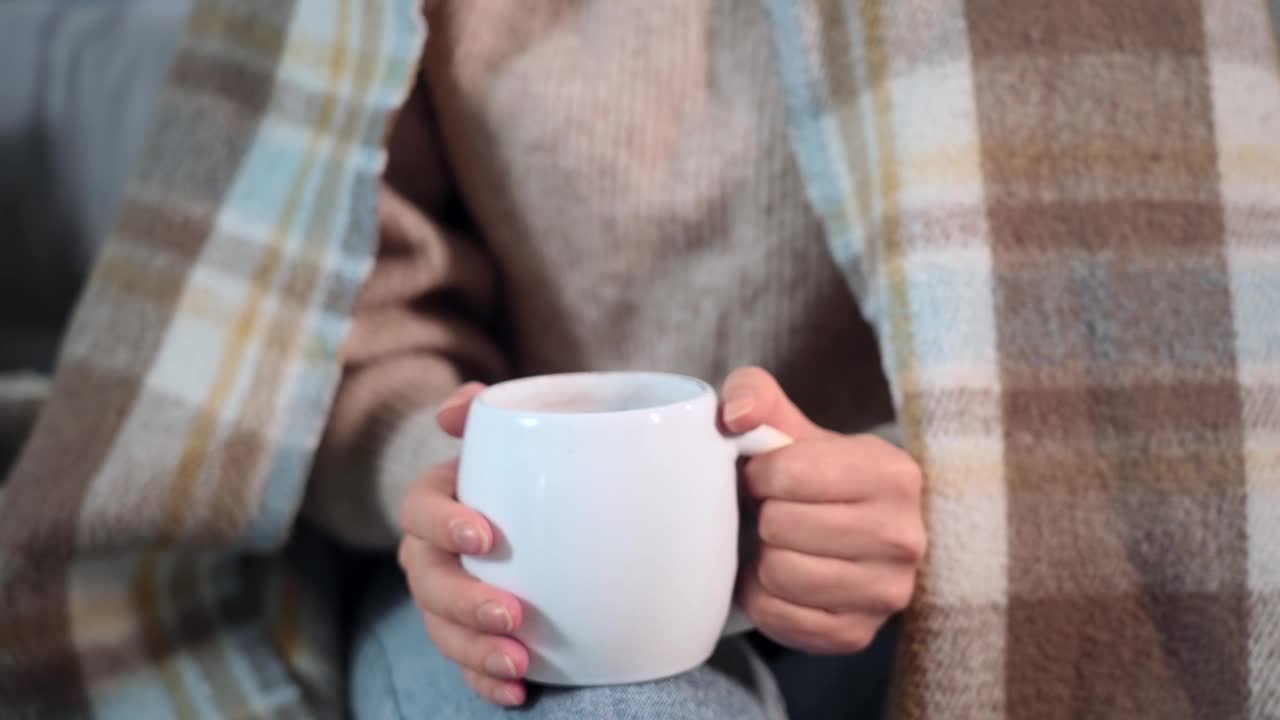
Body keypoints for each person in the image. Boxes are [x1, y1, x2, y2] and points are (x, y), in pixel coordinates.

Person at [311, 3, 927, 718]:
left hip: (907, 569)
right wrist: (455, 480)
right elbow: (331, 308)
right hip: (471, 585)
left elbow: (1057, 361)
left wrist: (906, 485)